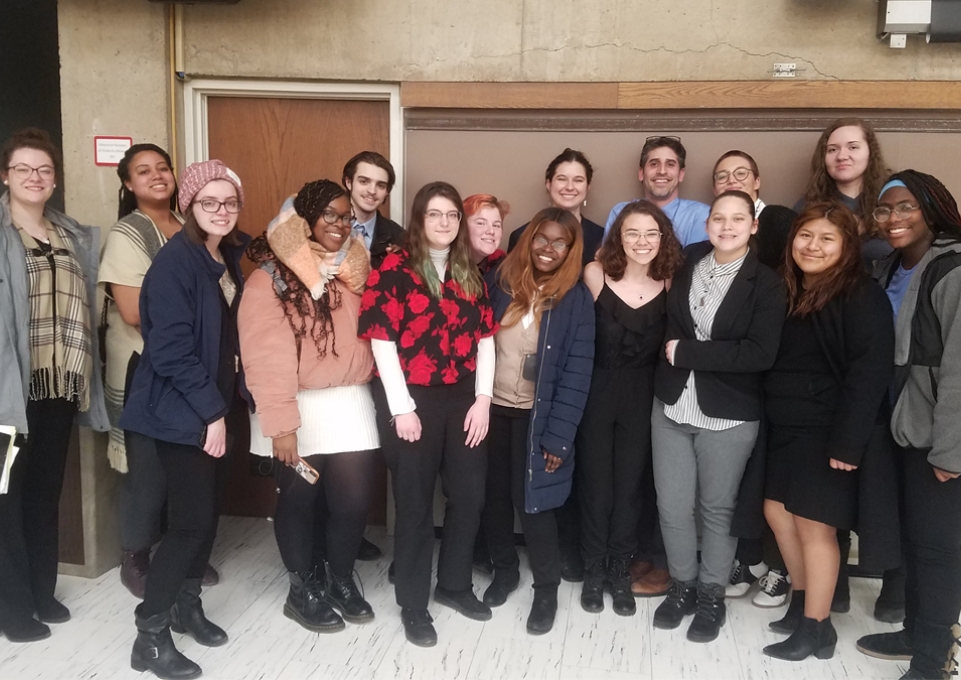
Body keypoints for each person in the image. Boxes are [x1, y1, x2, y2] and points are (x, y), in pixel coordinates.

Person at [120, 160, 249, 679]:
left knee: (206, 513)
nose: (222, 211)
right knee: (188, 524)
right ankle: (150, 634)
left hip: (211, 404)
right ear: (189, 205)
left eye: (231, 201)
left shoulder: (222, 255)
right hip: (180, 411)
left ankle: (186, 604)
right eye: (209, 202)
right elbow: (170, 351)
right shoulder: (177, 264)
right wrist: (213, 414)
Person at [358, 181, 497, 647]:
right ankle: (413, 603)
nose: (444, 223)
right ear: (419, 219)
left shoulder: (468, 269)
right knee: (415, 506)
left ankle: (455, 585)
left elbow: (485, 338)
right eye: (434, 214)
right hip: (411, 398)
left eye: (452, 216)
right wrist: (402, 409)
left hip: (463, 398)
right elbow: (381, 340)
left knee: (469, 496)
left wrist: (482, 400)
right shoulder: (393, 268)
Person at [240, 179, 378, 633]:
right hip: (293, 404)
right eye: (329, 215)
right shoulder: (272, 276)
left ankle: (339, 578)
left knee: (353, 502)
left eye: (345, 216)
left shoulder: (357, 270)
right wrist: (281, 425)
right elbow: (266, 356)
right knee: (299, 501)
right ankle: (303, 590)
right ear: (306, 220)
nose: (339, 224)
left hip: (350, 401)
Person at [761, 202, 895, 662]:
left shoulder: (862, 295)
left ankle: (817, 628)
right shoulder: (789, 288)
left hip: (827, 429)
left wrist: (848, 442)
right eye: (804, 236)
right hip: (785, 425)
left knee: (814, 528)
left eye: (826, 239)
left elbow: (869, 374)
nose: (812, 246)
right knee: (778, 514)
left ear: (847, 248)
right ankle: (802, 604)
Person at [651, 190, 786, 644]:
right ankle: (682, 586)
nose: (726, 227)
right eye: (717, 219)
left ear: (753, 226)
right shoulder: (687, 265)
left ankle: (711, 594)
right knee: (672, 507)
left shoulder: (766, 283)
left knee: (716, 509)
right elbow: (670, 321)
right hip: (671, 403)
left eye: (737, 219)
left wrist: (688, 352)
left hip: (729, 413)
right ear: (707, 225)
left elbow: (760, 353)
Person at [0, 128, 109, 642]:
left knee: (43, 495)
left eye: (43, 170)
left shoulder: (71, 235)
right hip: (8, 391)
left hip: (60, 385)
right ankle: (13, 606)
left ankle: (43, 591)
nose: (34, 178)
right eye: (23, 169)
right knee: (6, 499)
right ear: (6, 176)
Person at [100, 144, 218, 598]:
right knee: (146, 468)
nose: (156, 176)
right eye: (143, 171)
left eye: (163, 168)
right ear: (128, 184)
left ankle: (179, 553)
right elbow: (132, 312)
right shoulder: (131, 232)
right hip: (147, 366)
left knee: (183, 466)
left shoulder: (190, 227)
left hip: (190, 368)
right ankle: (136, 556)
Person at [856, 170, 961, 680]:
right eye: (884, 210)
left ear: (931, 209)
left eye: (904, 208)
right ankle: (916, 633)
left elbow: (960, 369)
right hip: (895, 427)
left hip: (934, 437)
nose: (893, 219)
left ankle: (932, 661)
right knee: (913, 543)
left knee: (939, 550)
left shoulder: (952, 270)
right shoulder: (890, 268)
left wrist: (951, 451)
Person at [482, 207, 595, 634]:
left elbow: (578, 372)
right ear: (528, 240)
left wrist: (559, 437)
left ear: (571, 249)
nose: (548, 249)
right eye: (541, 239)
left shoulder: (576, 299)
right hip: (491, 410)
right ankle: (505, 570)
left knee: (535, 504)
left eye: (559, 242)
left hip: (539, 417)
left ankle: (546, 588)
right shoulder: (500, 284)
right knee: (493, 498)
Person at [576, 200, 681, 616]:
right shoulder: (595, 274)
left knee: (631, 488)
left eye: (651, 233)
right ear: (618, 237)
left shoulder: (671, 281)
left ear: (662, 239)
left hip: (644, 396)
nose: (642, 241)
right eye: (632, 232)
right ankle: (593, 571)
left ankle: (620, 572)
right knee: (596, 486)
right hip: (596, 392)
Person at [711, 149, 793, 608]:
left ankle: (778, 567)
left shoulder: (778, 222)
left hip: (776, 359)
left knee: (774, 480)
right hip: (733, 378)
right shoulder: (709, 245)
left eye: (740, 173)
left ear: (757, 181)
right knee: (742, 479)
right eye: (721, 176)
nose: (730, 180)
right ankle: (745, 557)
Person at [794, 117, 892, 271]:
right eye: (832, 149)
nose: (841, 156)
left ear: (870, 152)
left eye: (853, 147)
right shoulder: (807, 206)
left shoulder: (892, 201)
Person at [605, 136, 710, 247]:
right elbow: (610, 260)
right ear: (641, 174)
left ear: (681, 174)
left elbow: (697, 262)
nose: (662, 171)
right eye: (654, 164)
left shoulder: (700, 215)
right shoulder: (619, 213)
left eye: (670, 164)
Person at [508, 148, 604, 267]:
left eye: (578, 180)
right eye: (562, 179)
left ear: (588, 187)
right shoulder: (521, 235)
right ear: (548, 184)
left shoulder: (602, 238)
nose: (569, 187)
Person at [343, 150, 406, 270]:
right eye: (364, 181)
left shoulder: (400, 238)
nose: (372, 191)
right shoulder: (325, 226)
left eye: (380, 185)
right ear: (349, 182)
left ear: (387, 191)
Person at [465, 193, 508, 274]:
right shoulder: (441, 267)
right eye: (481, 223)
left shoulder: (502, 263)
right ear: (462, 227)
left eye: (496, 225)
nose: (491, 231)